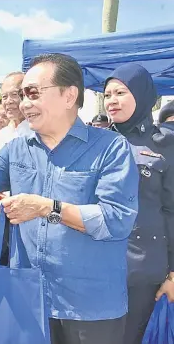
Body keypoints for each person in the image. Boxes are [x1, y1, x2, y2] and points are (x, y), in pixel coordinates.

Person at [0, 53, 140, 344]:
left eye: (33, 93)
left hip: (90, 308)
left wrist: (47, 207)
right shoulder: (17, 148)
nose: (24, 104)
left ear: (69, 95)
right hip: (28, 301)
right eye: (23, 95)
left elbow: (116, 220)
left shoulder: (112, 149)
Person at [104, 63, 174, 344]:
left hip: (144, 273)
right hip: (96, 268)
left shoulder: (165, 144)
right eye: (107, 94)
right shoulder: (96, 141)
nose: (111, 101)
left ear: (143, 94)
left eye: (120, 92)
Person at [0, 72, 30, 158]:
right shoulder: (1, 136)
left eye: (14, 94)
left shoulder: (40, 133)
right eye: (4, 97)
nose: (8, 101)